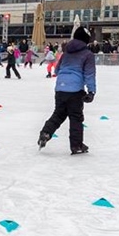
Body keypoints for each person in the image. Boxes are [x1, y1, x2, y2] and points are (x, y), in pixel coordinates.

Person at [38, 26, 96, 155]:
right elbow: (89, 74)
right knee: (75, 117)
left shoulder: (66, 53)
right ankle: (76, 145)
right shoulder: (88, 54)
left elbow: (57, 70)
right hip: (75, 90)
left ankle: (46, 132)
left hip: (60, 88)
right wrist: (91, 91)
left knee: (58, 114)